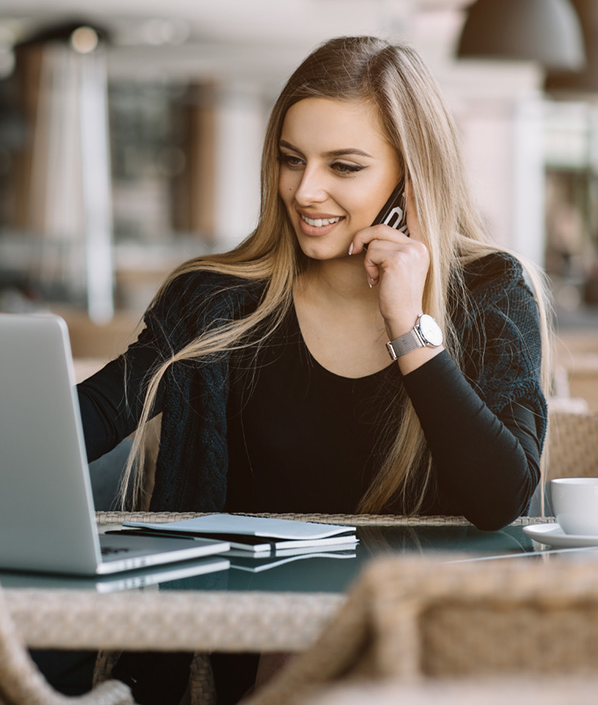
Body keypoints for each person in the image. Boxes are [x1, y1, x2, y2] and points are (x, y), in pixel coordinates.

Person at [76, 35, 552, 703]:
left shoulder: (490, 293)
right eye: (291, 160)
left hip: (432, 665)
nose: (306, 190)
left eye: (344, 166)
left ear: (408, 179)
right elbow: (89, 419)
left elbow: (500, 495)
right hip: (265, 662)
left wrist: (408, 327)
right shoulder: (216, 300)